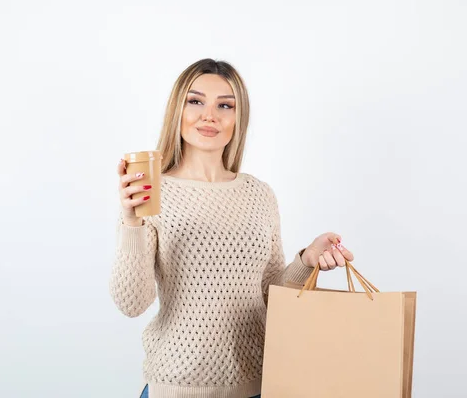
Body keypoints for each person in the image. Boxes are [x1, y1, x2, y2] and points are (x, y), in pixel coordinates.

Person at [109, 58, 354, 398]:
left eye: (225, 105)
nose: (210, 115)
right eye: (195, 101)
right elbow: (131, 303)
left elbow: (269, 294)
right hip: (175, 386)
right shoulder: (153, 192)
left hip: (256, 385)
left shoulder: (259, 194)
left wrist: (307, 260)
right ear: (177, 111)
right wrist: (131, 221)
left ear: (239, 119)